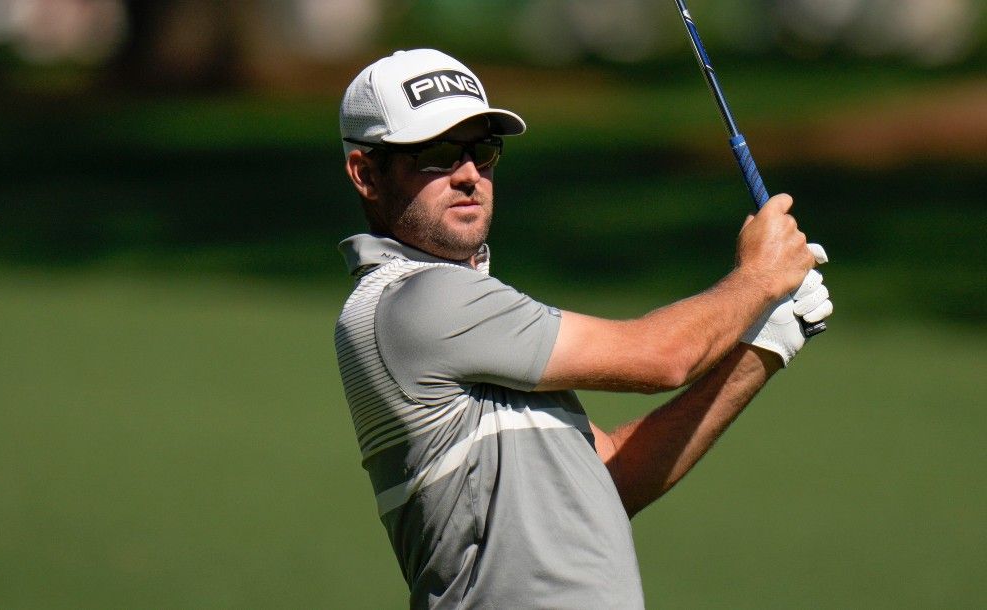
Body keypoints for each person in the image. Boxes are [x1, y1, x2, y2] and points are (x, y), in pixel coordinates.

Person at [333, 49, 832, 609]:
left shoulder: (473, 321)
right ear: (366, 175)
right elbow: (660, 359)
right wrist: (758, 277)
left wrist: (764, 344)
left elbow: (612, 471)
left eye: (484, 150)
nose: (469, 174)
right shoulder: (415, 302)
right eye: (438, 155)